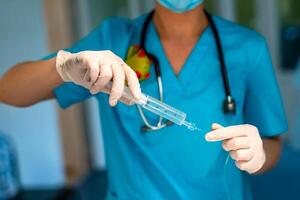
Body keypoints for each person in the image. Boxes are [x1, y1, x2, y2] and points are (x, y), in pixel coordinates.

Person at [0, 0, 287, 199]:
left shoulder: (248, 48)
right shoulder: (113, 40)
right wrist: (62, 67)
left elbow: (273, 144)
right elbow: (8, 91)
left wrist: (258, 154)